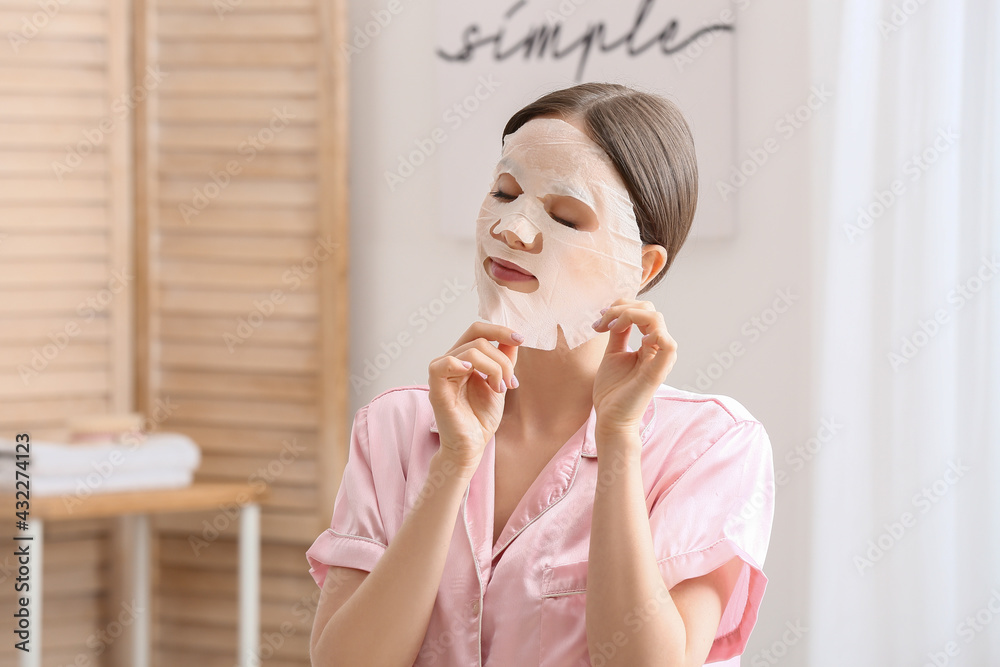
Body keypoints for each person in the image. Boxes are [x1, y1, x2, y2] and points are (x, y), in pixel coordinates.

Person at [306, 82, 775, 666]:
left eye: (564, 216)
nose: (511, 229)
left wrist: (619, 442)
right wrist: (452, 465)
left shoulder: (712, 447)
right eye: (505, 192)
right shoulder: (395, 428)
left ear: (642, 266)